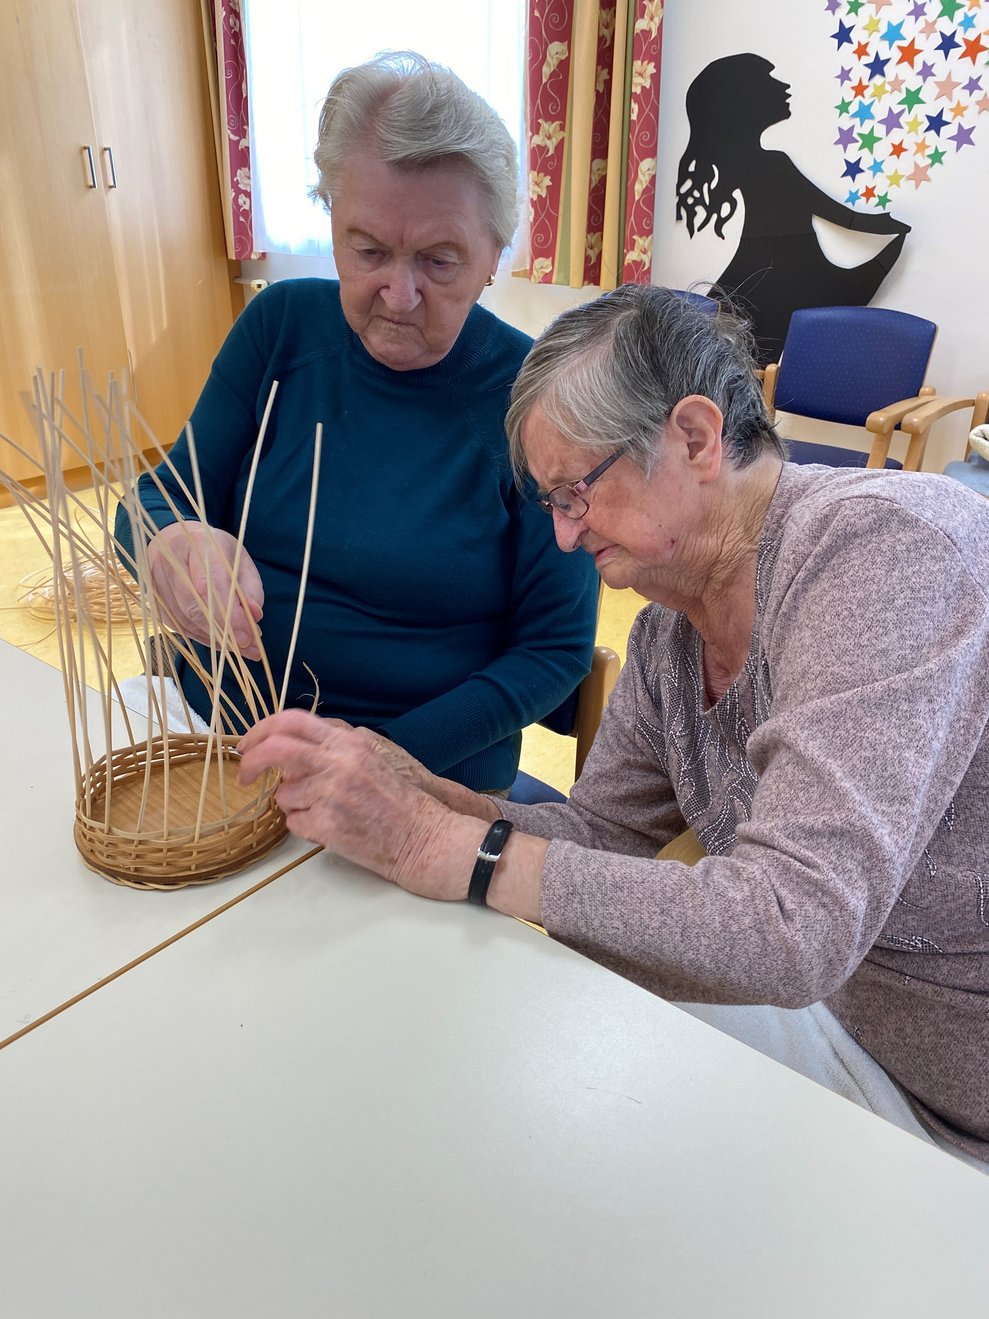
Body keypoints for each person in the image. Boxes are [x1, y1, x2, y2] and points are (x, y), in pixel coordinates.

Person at [237, 284, 989, 1170]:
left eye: (574, 492)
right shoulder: (670, 628)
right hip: (839, 1022)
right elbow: (600, 837)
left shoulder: (886, 550)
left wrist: (443, 850)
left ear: (696, 438)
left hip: (950, 1121)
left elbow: (791, 929)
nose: (560, 535)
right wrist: (426, 798)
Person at [114, 51, 598, 794]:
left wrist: (373, 760)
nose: (397, 294)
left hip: (422, 782)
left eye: (439, 261)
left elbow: (555, 650)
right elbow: (153, 501)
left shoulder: (538, 401)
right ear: (332, 222)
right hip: (216, 745)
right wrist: (168, 540)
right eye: (367, 250)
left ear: (495, 255)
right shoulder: (278, 328)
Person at [676, 53, 910, 364]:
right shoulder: (772, 164)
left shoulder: (754, 163)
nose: (784, 86)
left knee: (737, 367)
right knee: (745, 368)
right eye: (770, 80)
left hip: (757, 276)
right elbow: (846, 218)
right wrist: (890, 227)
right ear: (745, 99)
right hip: (775, 279)